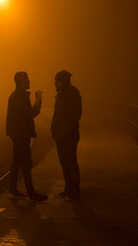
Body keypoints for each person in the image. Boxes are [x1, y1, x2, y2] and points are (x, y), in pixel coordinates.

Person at [6, 71, 48, 201]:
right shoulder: (21, 97)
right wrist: (38, 102)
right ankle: (31, 192)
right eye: (27, 80)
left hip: (17, 133)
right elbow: (28, 115)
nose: (29, 82)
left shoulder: (15, 96)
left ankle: (13, 188)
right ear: (22, 82)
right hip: (21, 134)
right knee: (26, 163)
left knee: (17, 161)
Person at [51, 70, 82, 199]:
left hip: (68, 135)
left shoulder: (73, 95)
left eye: (57, 82)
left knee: (70, 161)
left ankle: (74, 188)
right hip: (61, 135)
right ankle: (68, 188)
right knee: (64, 162)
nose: (55, 85)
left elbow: (75, 116)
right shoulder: (61, 95)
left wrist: (63, 131)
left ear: (63, 82)